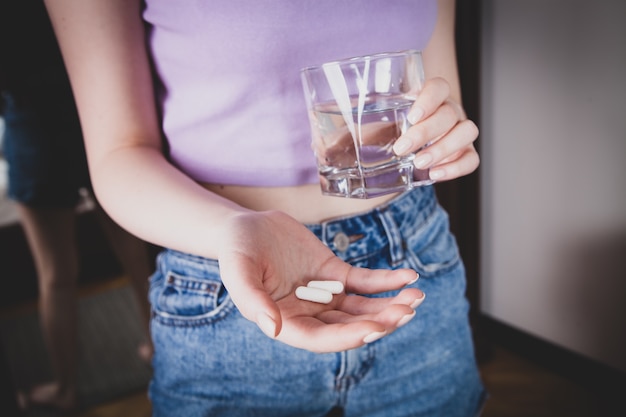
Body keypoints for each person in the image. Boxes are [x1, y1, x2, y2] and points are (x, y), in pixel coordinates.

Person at [43, 0, 486, 415]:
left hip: (415, 261)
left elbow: (436, 96)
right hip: (227, 284)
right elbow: (118, 155)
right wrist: (233, 230)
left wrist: (444, 136)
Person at [0, 1, 153, 412]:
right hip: (97, 117)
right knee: (136, 255)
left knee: (55, 275)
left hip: (34, 126)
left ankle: (65, 387)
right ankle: (158, 347)